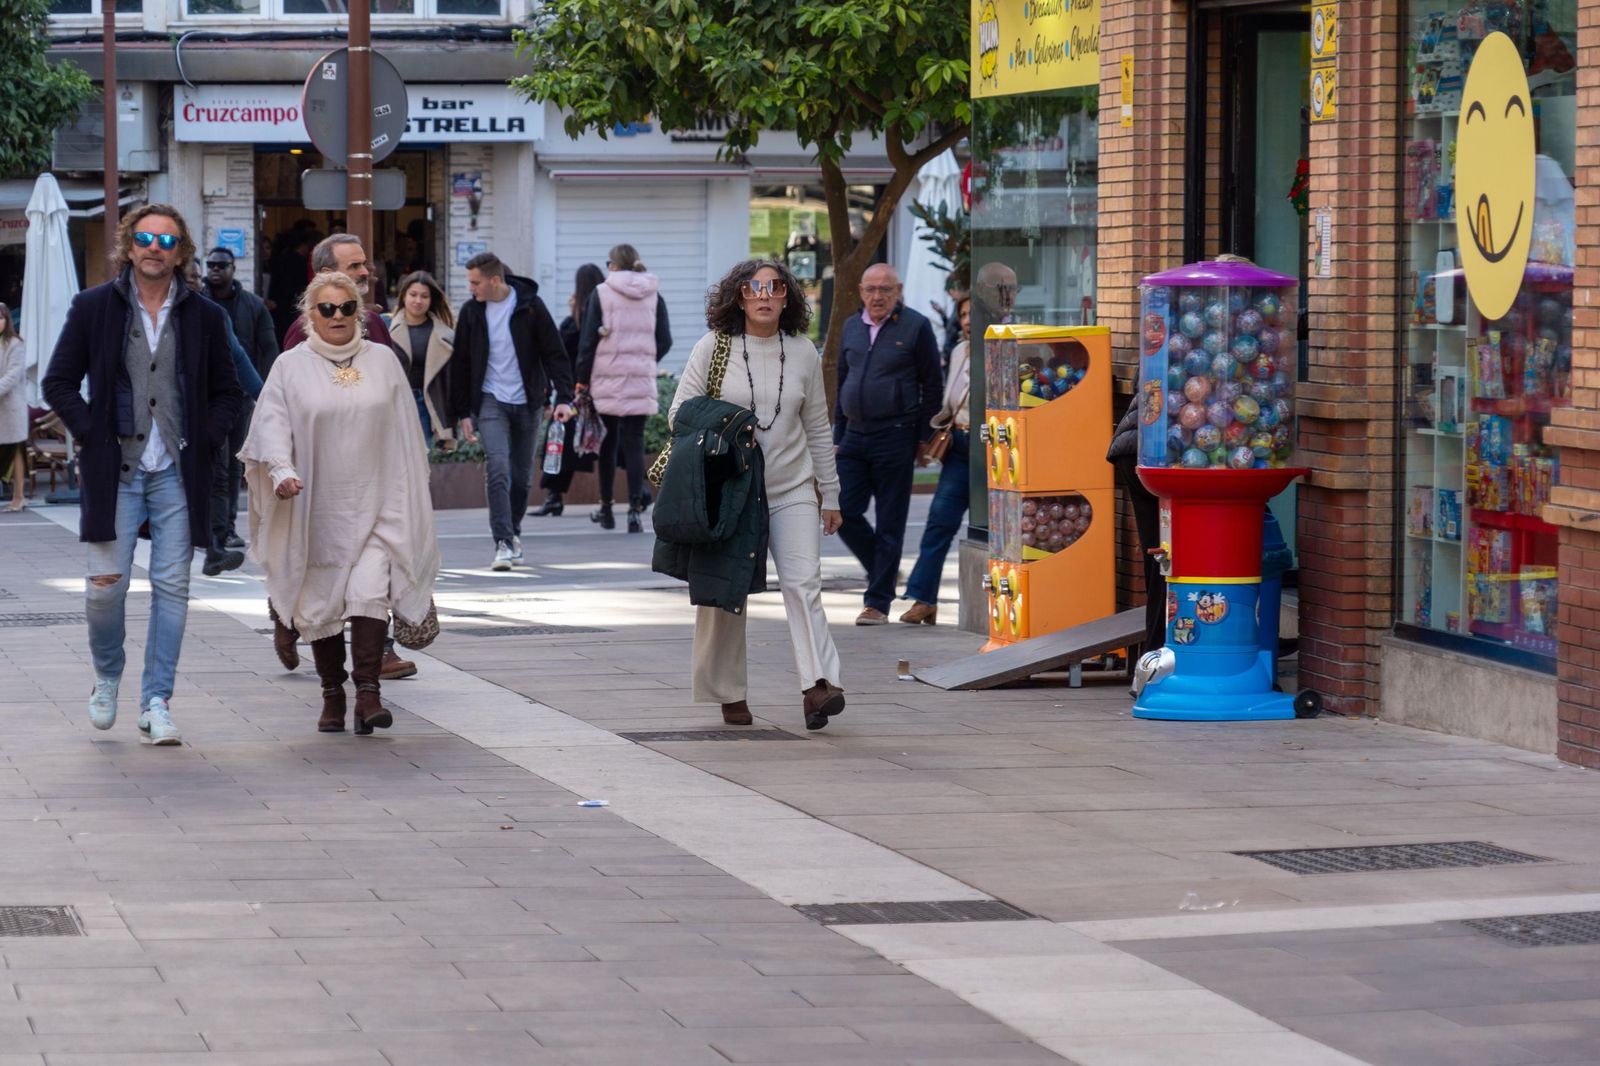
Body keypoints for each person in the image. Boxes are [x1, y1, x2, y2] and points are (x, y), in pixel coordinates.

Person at [42, 204, 243, 745]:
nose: (156, 247)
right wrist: (92, 432)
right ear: (129, 246)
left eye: (168, 240)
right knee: (105, 588)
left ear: (181, 254)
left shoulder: (205, 316)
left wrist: (206, 435)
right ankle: (108, 675)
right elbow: (58, 382)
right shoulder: (93, 308)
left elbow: (229, 392)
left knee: (172, 587)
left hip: (177, 472)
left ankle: (157, 701)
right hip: (118, 470)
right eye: (146, 238)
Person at [240, 271, 439, 735]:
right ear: (310, 314)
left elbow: (408, 436)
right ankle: (333, 693)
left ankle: (368, 695)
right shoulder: (289, 366)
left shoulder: (385, 362)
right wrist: (282, 473)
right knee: (319, 604)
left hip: (378, 503)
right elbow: (270, 427)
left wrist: (410, 498)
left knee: (370, 592)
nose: (336, 316)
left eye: (346, 307)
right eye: (326, 308)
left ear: (359, 312)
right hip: (316, 507)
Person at [667, 259, 845, 730]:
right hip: (731, 492)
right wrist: (730, 424)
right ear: (739, 296)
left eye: (775, 287)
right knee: (725, 594)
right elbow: (678, 414)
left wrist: (831, 493)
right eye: (753, 287)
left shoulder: (803, 351)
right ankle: (728, 693)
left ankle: (819, 686)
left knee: (804, 584)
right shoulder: (715, 348)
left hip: (791, 487)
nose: (764, 295)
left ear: (788, 296)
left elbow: (819, 428)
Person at [278, 234, 417, 681]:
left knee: (375, 568)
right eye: (354, 266)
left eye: (364, 266)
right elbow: (285, 412)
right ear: (323, 277)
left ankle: (376, 667)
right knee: (321, 576)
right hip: (322, 485)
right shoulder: (299, 339)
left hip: (375, 480)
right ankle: (286, 617)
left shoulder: (373, 323)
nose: (364, 273)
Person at [448, 252, 574, 572]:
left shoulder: (530, 306)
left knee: (520, 477)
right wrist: (463, 411)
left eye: (475, 282)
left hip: (529, 402)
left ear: (495, 280)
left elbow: (554, 354)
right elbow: (460, 363)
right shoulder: (472, 312)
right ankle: (503, 541)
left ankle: (513, 533)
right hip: (491, 401)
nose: (471, 288)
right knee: (498, 467)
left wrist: (563, 397)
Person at [833, 262, 942, 625]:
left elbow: (932, 384)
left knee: (890, 522)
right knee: (842, 510)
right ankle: (882, 567)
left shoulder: (916, 327)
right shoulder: (851, 327)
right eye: (871, 290)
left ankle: (877, 603)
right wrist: (837, 437)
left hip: (896, 434)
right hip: (854, 436)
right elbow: (842, 382)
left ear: (898, 292)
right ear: (861, 292)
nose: (877, 296)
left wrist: (925, 437)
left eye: (885, 290)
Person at [575, 244, 672, 533]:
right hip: (639, 378)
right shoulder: (653, 295)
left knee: (607, 443)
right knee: (634, 444)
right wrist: (645, 359)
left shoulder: (602, 293)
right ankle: (634, 511)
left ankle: (606, 508)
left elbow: (588, 341)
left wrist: (582, 377)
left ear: (613, 265)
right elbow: (665, 339)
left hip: (606, 378)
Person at [901, 292, 972, 624]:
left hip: (993, 446)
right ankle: (924, 598)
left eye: (974, 312)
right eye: (964, 313)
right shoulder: (959, 350)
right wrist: (938, 434)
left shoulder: (1004, 348)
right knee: (939, 522)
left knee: (998, 531)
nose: (968, 319)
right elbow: (949, 400)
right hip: (959, 443)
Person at [530, 263, 604, 517]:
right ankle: (638, 493)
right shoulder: (604, 318)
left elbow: (560, 354)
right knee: (615, 442)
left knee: (559, 441)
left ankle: (554, 497)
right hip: (604, 388)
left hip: (575, 391)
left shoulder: (575, 321)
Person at [1107, 400, 1165, 656]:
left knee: (1158, 555)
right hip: (1154, 449)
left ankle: (1154, 651)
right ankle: (1162, 647)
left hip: (1133, 446)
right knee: (1166, 556)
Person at [388, 271, 456, 449]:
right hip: (393, 401)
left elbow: (449, 382)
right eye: (413, 294)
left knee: (420, 457)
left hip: (424, 403)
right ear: (403, 297)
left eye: (424, 296)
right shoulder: (386, 327)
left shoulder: (444, 335)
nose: (418, 301)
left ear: (431, 300)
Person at [0, 303, 28, 512]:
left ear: (7, 320)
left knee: (15, 453)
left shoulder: (15, 344)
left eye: (1, 318)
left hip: (11, 409)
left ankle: (19, 496)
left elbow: (12, 376)